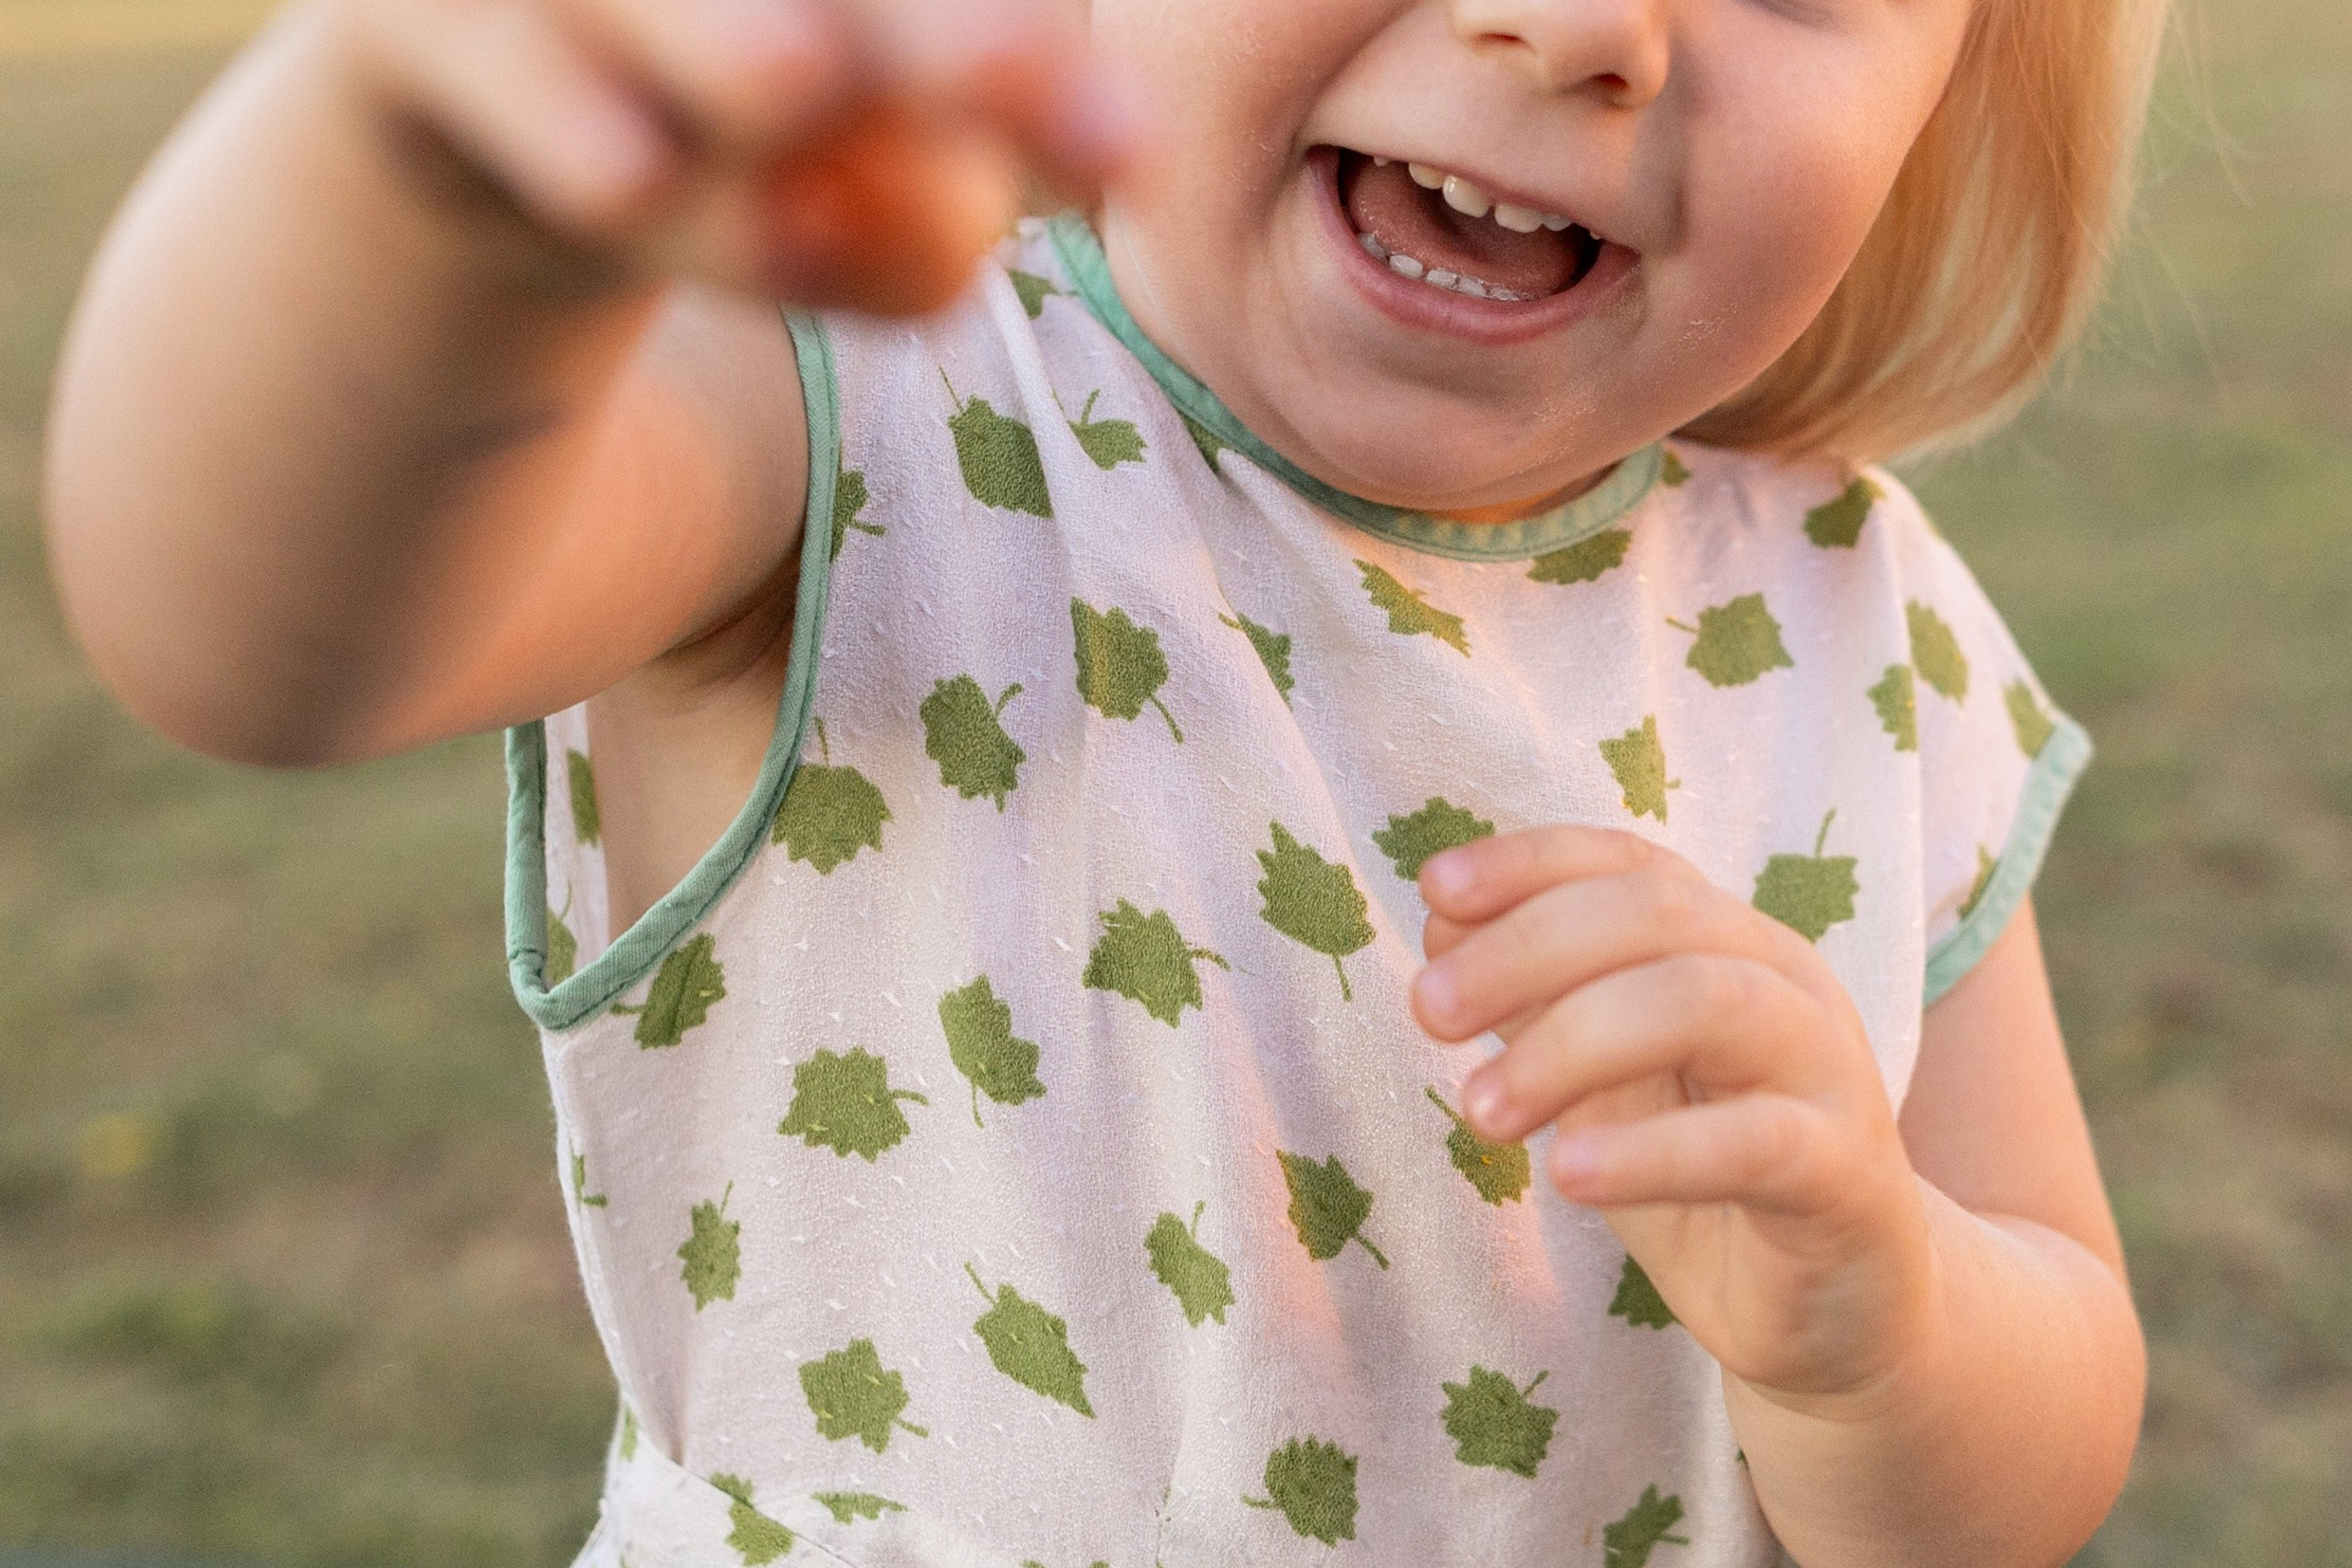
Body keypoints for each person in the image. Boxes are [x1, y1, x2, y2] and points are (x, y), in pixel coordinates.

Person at [42, 0, 2164, 1562]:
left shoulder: (1842, 616)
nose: (1577, 27)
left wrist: (1875, 1318)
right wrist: (405, 174)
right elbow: (262, 632)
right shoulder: (866, 402)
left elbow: (2022, 1446)